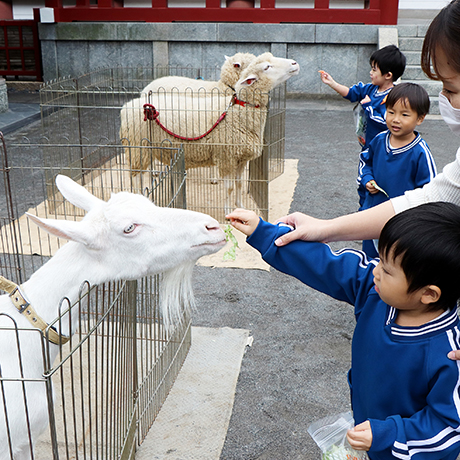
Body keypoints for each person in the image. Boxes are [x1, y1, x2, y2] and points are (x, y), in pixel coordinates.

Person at [275, 0, 460, 360]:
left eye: (451, 89)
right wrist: (325, 228)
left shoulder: (420, 153)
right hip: (386, 217)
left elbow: (428, 205)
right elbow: (431, 198)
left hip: (414, 233)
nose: (447, 101)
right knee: (379, 267)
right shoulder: (378, 140)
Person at [227, 203, 460, 460]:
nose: (375, 270)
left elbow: (449, 427)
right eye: (379, 259)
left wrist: (389, 433)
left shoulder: (449, 354)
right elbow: (325, 265)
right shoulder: (375, 292)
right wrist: (264, 232)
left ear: (428, 294)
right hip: (368, 434)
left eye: (387, 269)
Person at [319, 45, 406, 207]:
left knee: (380, 184)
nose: (370, 72)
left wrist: (368, 107)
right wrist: (331, 83)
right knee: (365, 182)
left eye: (374, 69)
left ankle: (376, 213)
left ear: (388, 75)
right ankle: (364, 209)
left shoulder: (394, 97)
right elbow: (351, 93)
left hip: (383, 149)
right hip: (367, 146)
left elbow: (386, 121)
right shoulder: (370, 89)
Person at [358, 82, 436, 257]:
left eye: (405, 114)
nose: (395, 119)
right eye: (391, 112)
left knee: (393, 264)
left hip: (401, 222)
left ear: (420, 118)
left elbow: (429, 191)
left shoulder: (420, 152)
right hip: (372, 214)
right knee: (370, 261)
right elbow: (365, 162)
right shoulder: (378, 140)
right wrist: (367, 179)